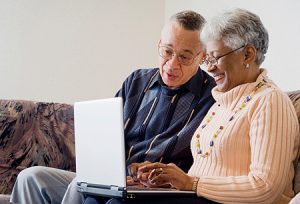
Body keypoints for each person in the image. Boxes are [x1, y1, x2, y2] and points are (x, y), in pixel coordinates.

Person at [85, 8, 300, 204]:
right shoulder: (223, 100)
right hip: (194, 197)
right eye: (208, 60)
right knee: (94, 199)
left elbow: (266, 187)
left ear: (248, 54)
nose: (210, 68)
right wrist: (167, 179)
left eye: (214, 58)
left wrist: (191, 184)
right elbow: (199, 176)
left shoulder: (270, 101)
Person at [9, 10, 216, 204]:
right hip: (117, 179)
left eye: (184, 57)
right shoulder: (136, 81)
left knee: (82, 189)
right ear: (159, 44)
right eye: (167, 51)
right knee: (31, 177)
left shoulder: (213, 97)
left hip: (161, 189)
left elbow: (205, 163)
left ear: (202, 57)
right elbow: (106, 140)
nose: (172, 64)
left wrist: (155, 176)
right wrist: (118, 170)